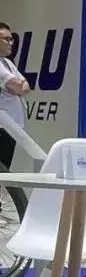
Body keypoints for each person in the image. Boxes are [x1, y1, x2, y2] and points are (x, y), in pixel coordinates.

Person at [0, 22, 30, 169]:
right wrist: (18, 87)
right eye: (6, 39)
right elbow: (19, 86)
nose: (11, 43)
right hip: (2, 127)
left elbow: (26, 86)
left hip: (10, 127)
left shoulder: (7, 63)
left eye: (11, 39)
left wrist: (17, 87)